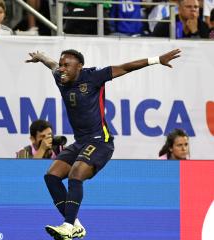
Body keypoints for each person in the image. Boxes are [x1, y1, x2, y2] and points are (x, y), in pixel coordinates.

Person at [25, 48, 181, 239]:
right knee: (52, 177)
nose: (62, 69)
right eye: (61, 64)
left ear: (79, 67)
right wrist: (40, 57)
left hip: (101, 141)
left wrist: (157, 59)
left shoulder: (93, 77)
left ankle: (67, 225)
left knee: (76, 174)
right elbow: (51, 64)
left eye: (67, 65)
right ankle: (75, 224)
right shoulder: (59, 76)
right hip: (80, 142)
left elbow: (126, 67)